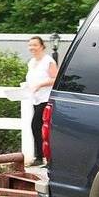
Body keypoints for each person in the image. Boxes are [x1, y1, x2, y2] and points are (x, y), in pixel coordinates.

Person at [26, 35, 58, 165]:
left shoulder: (48, 61)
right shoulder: (31, 62)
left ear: (42, 46)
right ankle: (40, 157)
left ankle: (44, 158)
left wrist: (40, 85)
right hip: (36, 99)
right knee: (37, 127)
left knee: (37, 125)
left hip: (46, 98)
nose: (32, 47)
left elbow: (54, 79)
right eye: (30, 45)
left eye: (35, 45)